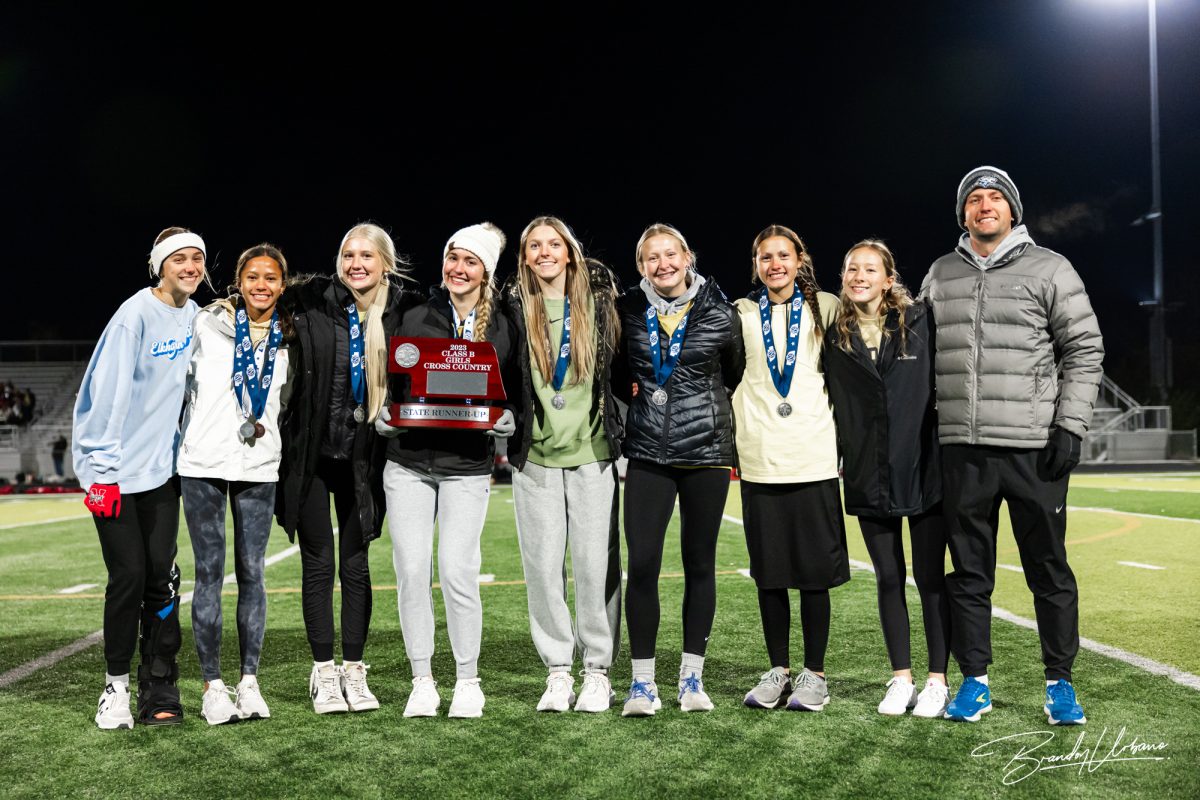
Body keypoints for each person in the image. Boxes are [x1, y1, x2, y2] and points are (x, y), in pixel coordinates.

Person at [922, 166, 1104, 725]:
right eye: (974, 200)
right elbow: (915, 355)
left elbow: (1084, 348)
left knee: (1048, 569)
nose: (984, 206)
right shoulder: (940, 272)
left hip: (1033, 448)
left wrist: (1070, 426)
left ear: (1013, 210)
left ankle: (1060, 683)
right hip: (961, 448)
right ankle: (974, 681)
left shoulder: (1050, 268)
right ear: (963, 215)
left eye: (995, 197)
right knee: (969, 574)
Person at [375, 223, 520, 718]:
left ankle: (466, 679)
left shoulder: (504, 321)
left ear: (486, 272)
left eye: (470, 261)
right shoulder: (413, 311)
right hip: (409, 462)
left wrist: (508, 417)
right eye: (452, 258)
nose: (458, 269)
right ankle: (422, 680)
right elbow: (389, 379)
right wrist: (386, 413)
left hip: (467, 465)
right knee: (412, 571)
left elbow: (514, 388)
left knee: (459, 572)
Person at [73, 226, 207, 729]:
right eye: (180, 259)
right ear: (159, 265)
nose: (190, 267)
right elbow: (105, 398)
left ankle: (158, 683)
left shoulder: (195, 316)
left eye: (197, 259)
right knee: (127, 577)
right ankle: (115, 688)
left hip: (161, 475)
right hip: (114, 475)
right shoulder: (134, 316)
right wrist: (102, 473)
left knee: (161, 578)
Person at [276, 222, 411, 714]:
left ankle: (354, 671)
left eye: (366, 256)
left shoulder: (404, 311)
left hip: (365, 459)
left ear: (385, 264)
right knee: (319, 565)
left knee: (356, 565)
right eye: (348, 254)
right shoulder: (311, 300)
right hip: (310, 457)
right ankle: (324, 674)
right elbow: (258, 289)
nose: (356, 263)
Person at [614, 223, 743, 716]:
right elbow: (619, 373)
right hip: (648, 451)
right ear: (642, 265)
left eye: (671, 254)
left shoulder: (720, 311)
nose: (663, 264)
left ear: (688, 257)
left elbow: (733, 372)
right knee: (643, 564)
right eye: (652, 257)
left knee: (700, 564)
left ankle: (692, 678)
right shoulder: (626, 310)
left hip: (706, 453)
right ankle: (642, 683)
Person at [823, 240, 951, 717]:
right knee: (888, 578)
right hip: (866, 472)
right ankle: (902, 678)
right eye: (851, 268)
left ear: (888, 278)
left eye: (869, 269)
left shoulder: (921, 322)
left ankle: (938, 680)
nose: (859, 276)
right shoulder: (833, 332)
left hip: (923, 468)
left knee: (931, 578)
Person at [503, 216, 624, 713]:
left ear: (571, 253)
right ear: (526, 257)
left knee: (596, 566)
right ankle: (558, 669)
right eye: (535, 245)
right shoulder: (512, 307)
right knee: (542, 567)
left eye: (554, 244)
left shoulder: (601, 304)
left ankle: (597, 670)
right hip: (535, 457)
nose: (545, 252)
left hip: (592, 453)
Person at [733, 225, 848, 713]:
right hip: (759, 458)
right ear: (756, 264)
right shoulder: (740, 312)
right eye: (765, 257)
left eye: (783, 255)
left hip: (814, 455)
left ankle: (815, 676)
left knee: (813, 574)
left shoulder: (828, 307)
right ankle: (778, 670)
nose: (774, 264)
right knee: (770, 574)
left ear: (800, 259)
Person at [178, 243, 291, 725]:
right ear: (238, 282)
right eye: (252, 277)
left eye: (270, 278)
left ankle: (248, 682)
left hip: (259, 463)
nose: (261, 285)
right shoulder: (203, 324)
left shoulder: (293, 335)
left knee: (252, 572)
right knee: (208, 573)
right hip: (202, 461)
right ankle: (212, 685)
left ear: (282, 285)